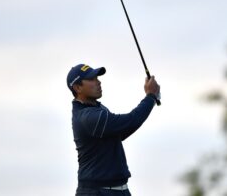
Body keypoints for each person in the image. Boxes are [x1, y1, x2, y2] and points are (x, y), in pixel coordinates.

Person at [67, 64, 160, 196]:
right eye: (91, 79)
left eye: (97, 78)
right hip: (96, 192)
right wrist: (150, 97)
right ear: (77, 88)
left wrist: (151, 97)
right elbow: (130, 122)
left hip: (119, 190)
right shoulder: (87, 117)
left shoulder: (98, 109)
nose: (98, 82)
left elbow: (121, 131)